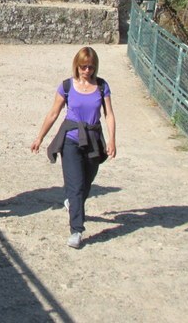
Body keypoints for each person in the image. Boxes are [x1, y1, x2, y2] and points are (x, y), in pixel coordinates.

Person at [30, 46, 117, 249]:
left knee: (86, 183)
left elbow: (109, 114)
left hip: (94, 140)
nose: (87, 71)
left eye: (91, 67)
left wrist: (112, 139)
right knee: (76, 186)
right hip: (71, 140)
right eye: (83, 67)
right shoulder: (67, 86)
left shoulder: (102, 86)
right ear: (76, 66)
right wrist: (40, 138)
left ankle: (73, 203)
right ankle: (76, 230)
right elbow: (53, 113)